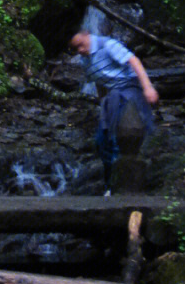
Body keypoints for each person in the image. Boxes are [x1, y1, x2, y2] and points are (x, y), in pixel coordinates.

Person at [68, 29, 158, 195]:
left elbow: (134, 61)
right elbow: (99, 82)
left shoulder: (107, 45)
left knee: (118, 139)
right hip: (111, 96)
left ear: (88, 36)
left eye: (81, 45)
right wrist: (103, 104)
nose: (80, 50)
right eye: (76, 48)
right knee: (101, 141)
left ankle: (124, 187)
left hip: (128, 88)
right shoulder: (85, 60)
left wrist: (148, 87)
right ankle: (111, 184)